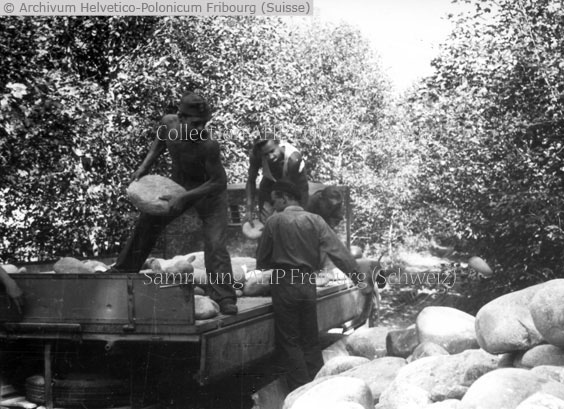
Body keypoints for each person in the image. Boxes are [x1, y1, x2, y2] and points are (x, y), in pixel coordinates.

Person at [109, 91, 238, 315]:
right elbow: (158, 145)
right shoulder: (168, 124)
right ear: (181, 117)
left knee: (215, 243)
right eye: (195, 123)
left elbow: (219, 181)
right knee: (148, 222)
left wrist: (184, 197)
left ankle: (224, 295)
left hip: (210, 193)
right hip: (180, 185)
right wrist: (143, 168)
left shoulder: (209, 145)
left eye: (204, 123)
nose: (201, 128)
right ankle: (123, 272)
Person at [255, 180, 373, 391]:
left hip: (284, 283)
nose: (274, 206)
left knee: (290, 341)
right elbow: (340, 254)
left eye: (275, 201)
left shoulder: (274, 221)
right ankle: (320, 387)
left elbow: (261, 261)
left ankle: (301, 391)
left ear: (284, 198)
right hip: (308, 283)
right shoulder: (316, 220)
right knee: (310, 339)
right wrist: (360, 281)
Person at [245, 138, 309, 225]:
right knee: (266, 217)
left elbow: (288, 192)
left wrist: (276, 214)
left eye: (272, 151)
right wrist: (249, 209)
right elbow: (251, 181)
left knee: (295, 220)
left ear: (278, 144)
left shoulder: (293, 158)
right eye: (265, 155)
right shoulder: (256, 156)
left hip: (295, 184)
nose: (270, 157)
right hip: (270, 181)